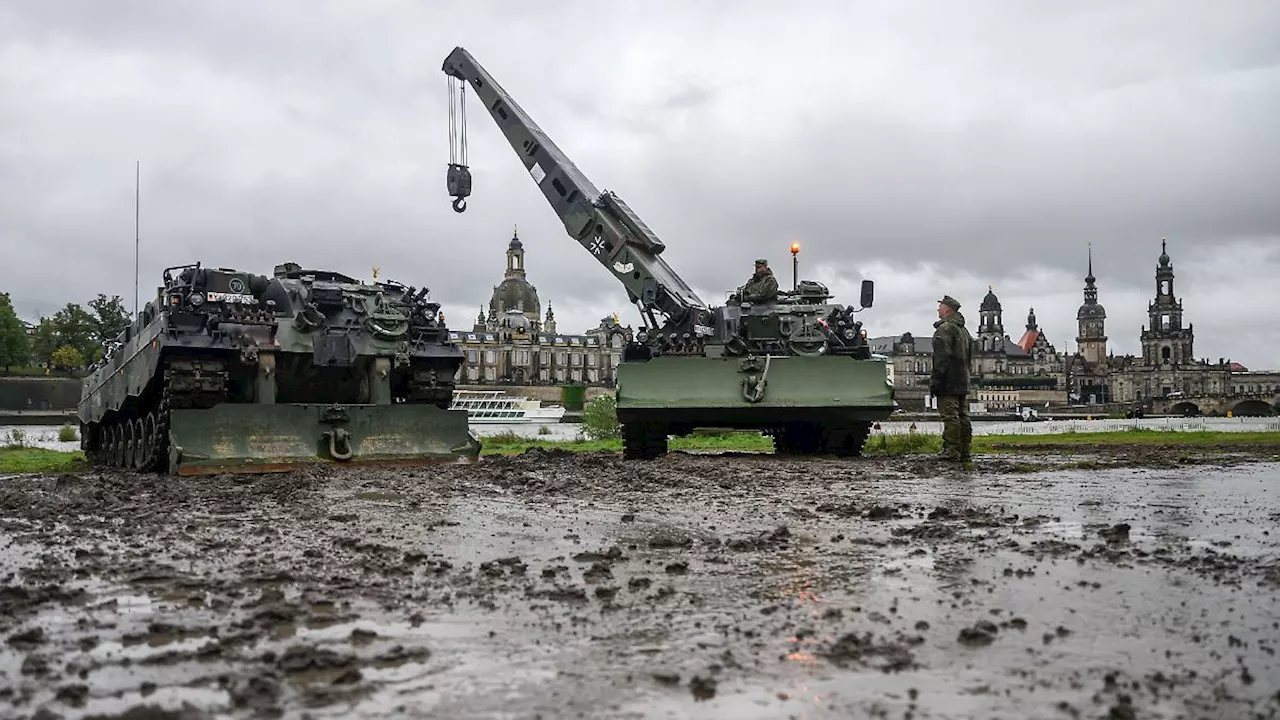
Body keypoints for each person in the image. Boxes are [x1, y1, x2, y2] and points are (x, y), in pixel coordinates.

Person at [931, 295, 973, 462]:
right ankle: (965, 451)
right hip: (962, 379)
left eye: (940, 307)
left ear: (947, 309)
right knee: (963, 415)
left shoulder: (945, 329)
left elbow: (941, 358)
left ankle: (951, 450)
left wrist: (935, 381)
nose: (938, 309)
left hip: (948, 381)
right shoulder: (964, 331)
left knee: (950, 416)